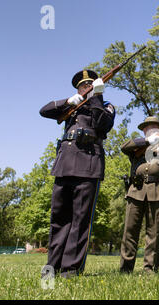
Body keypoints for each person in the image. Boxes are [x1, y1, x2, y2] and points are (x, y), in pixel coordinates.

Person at [40, 69, 115, 278]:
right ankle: (51, 268)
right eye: (83, 86)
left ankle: (71, 269)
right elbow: (44, 111)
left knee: (80, 220)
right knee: (58, 219)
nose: (87, 88)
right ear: (78, 89)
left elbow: (103, 125)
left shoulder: (105, 107)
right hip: (64, 165)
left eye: (91, 85)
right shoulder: (72, 108)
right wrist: (68, 101)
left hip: (88, 166)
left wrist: (97, 97)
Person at [119, 116, 159, 274]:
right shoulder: (137, 146)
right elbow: (124, 147)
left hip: (157, 191)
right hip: (136, 191)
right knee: (130, 231)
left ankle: (149, 268)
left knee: (153, 232)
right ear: (143, 130)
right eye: (147, 127)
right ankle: (125, 269)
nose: (150, 128)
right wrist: (147, 141)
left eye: (154, 126)